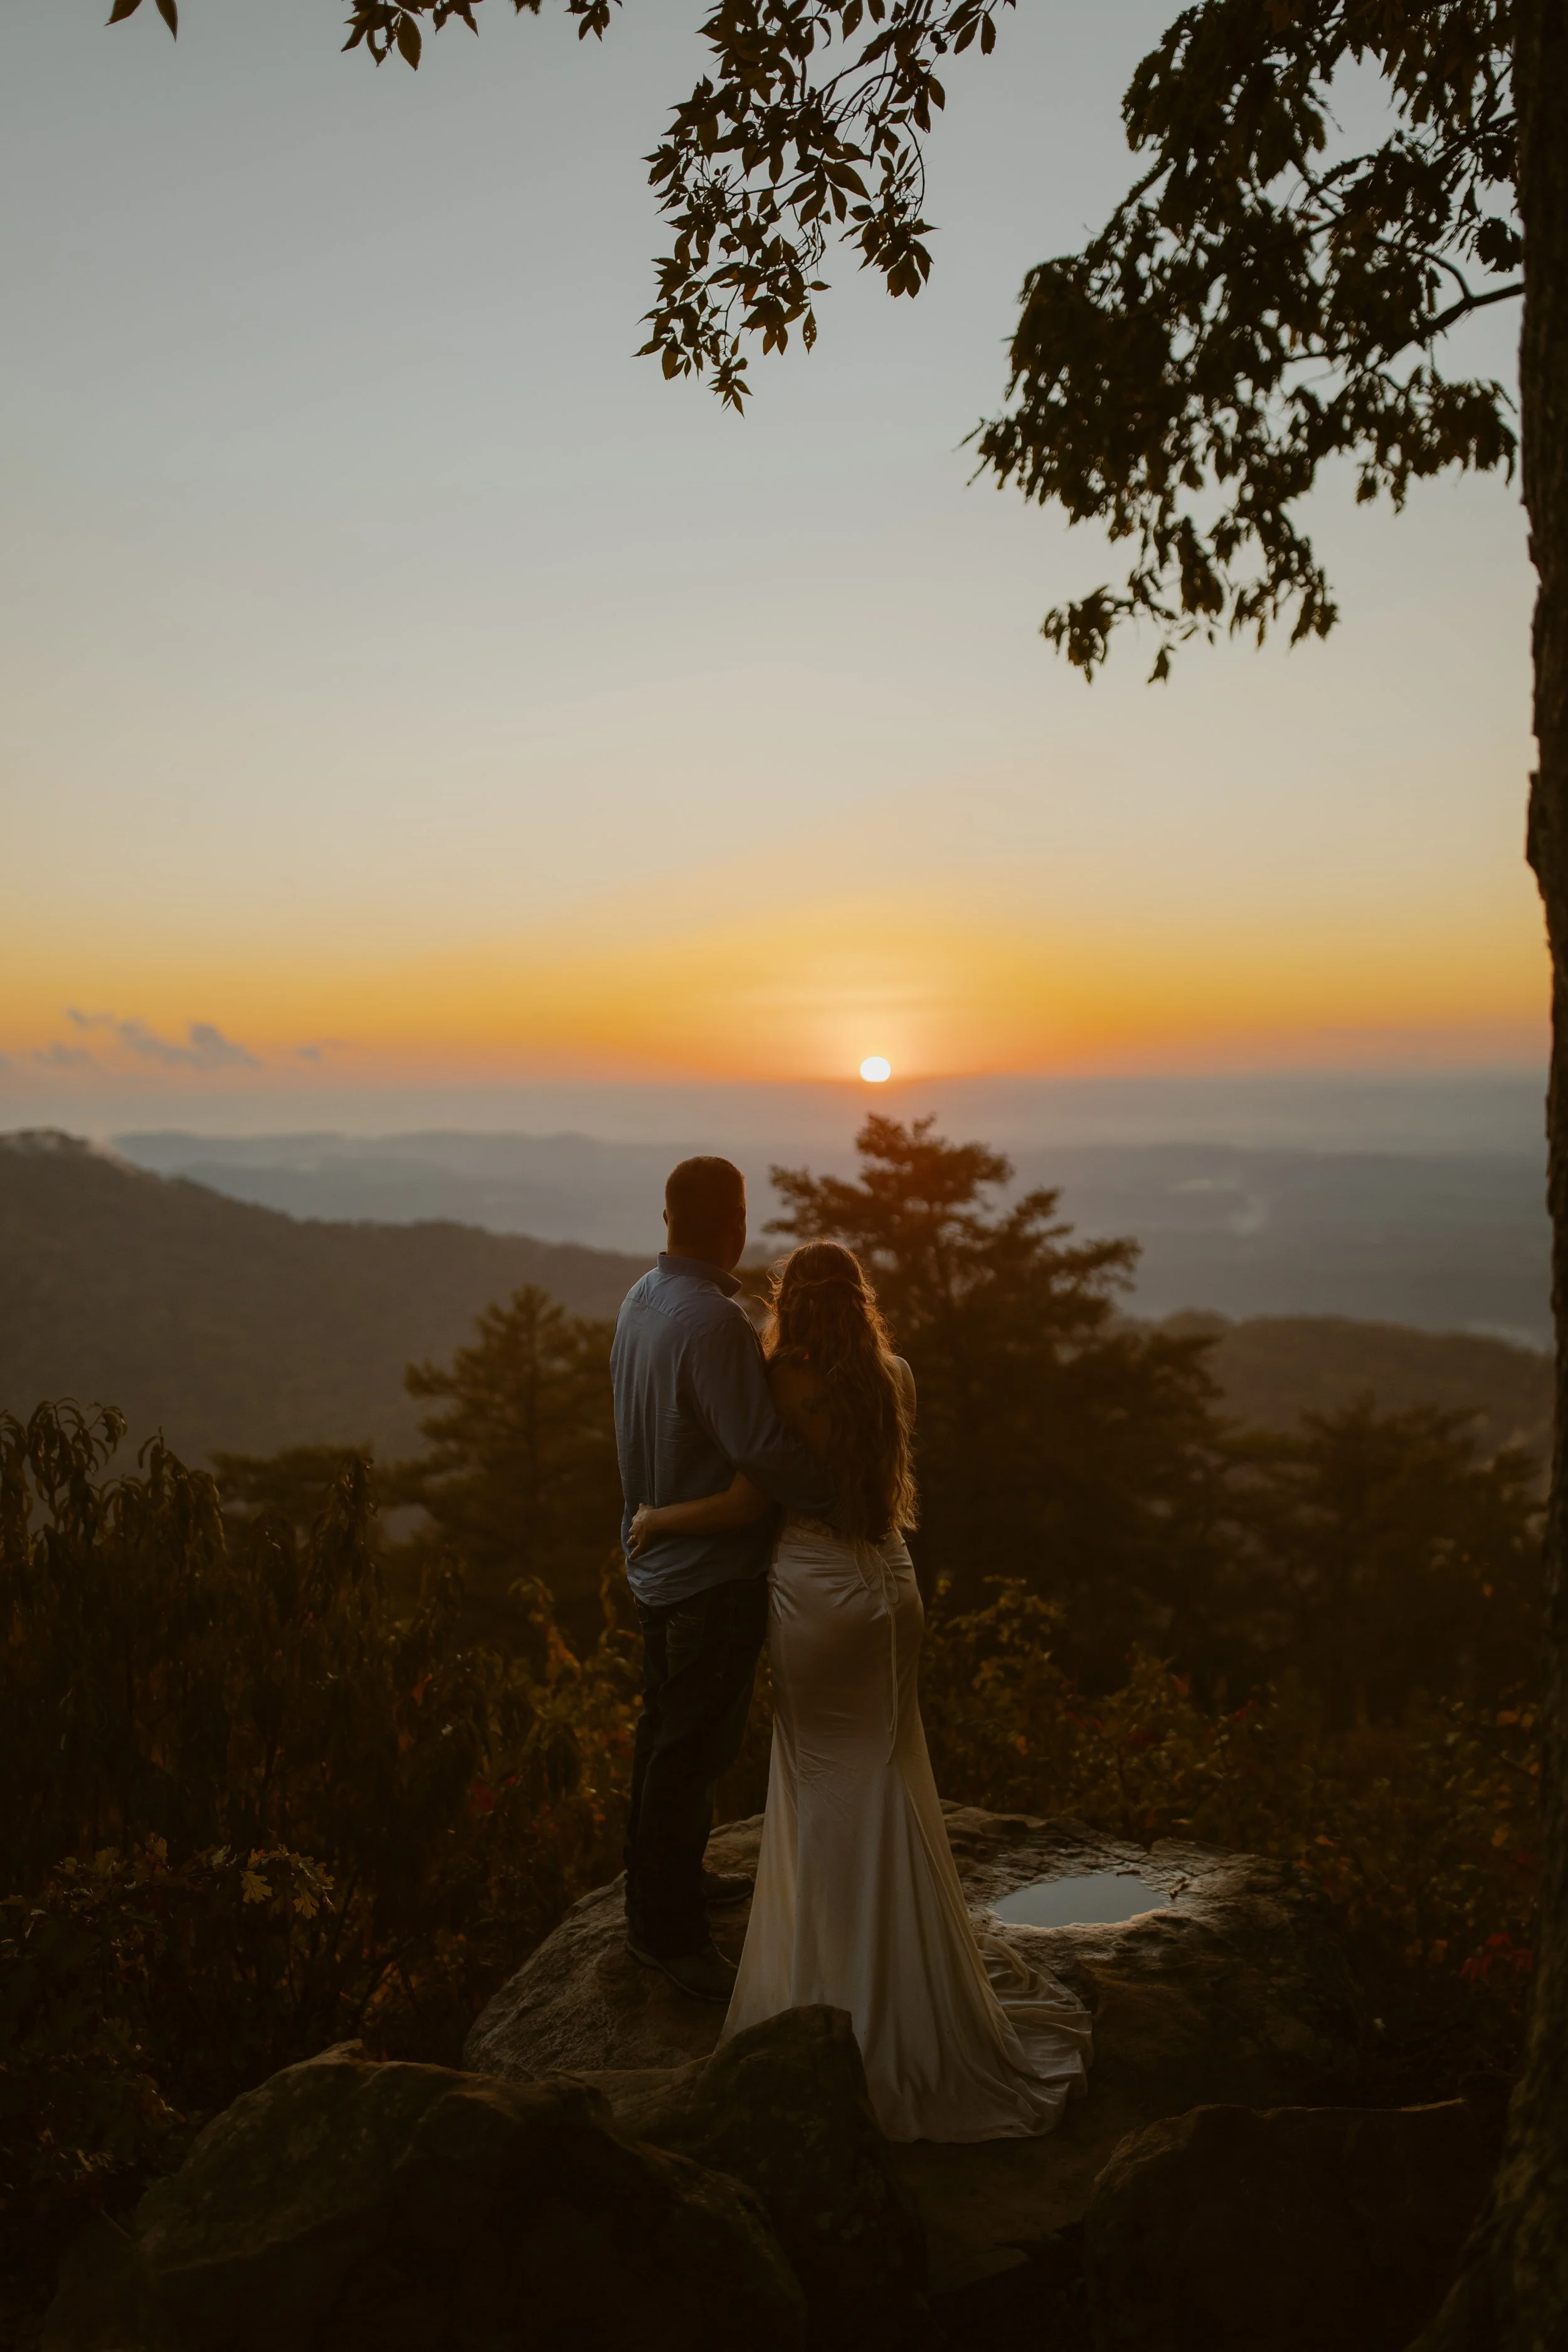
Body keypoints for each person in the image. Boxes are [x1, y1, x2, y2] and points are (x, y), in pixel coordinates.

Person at [627, 1237, 1091, 2143]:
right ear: (862, 1299)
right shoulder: (896, 1374)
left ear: (791, 1301)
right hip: (892, 1590)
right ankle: (915, 1978)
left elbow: (744, 1506)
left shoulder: (781, 1383)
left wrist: (655, 1516)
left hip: (817, 1595)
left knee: (818, 1778)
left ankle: (830, 1986)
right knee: (889, 1769)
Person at [610, 1155, 837, 2002]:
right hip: (708, 1576)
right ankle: (664, 1933)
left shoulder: (641, 1298)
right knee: (690, 1753)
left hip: (656, 1566)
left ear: (668, 1217)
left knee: (663, 1737)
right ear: (735, 1221)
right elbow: (763, 1450)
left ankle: (663, 1887)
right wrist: (837, 1496)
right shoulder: (716, 1324)